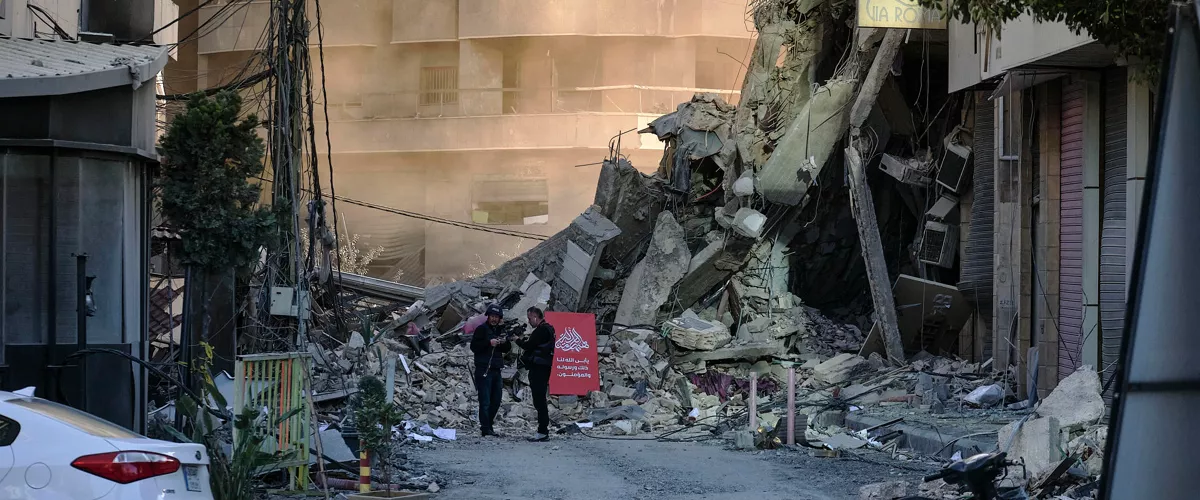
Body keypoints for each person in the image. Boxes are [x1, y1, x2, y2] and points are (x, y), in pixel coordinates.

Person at [470, 304, 512, 437]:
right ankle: (485, 428)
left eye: (497, 317)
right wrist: (489, 343)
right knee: (485, 401)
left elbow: (507, 349)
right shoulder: (481, 330)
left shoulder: (500, 330)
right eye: (492, 316)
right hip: (484, 369)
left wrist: (503, 342)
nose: (494, 319)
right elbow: (474, 347)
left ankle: (489, 425)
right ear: (488, 316)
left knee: (496, 400)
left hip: (496, 369)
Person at [516, 306, 555, 442]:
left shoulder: (541, 330)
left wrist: (517, 339)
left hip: (539, 369)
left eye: (529, 318)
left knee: (539, 400)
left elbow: (529, 346)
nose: (529, 321)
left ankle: (543, 431)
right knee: (540, 399)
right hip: (542, 368)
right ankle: (542, 430)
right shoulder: (548, 329)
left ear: (534, 316)